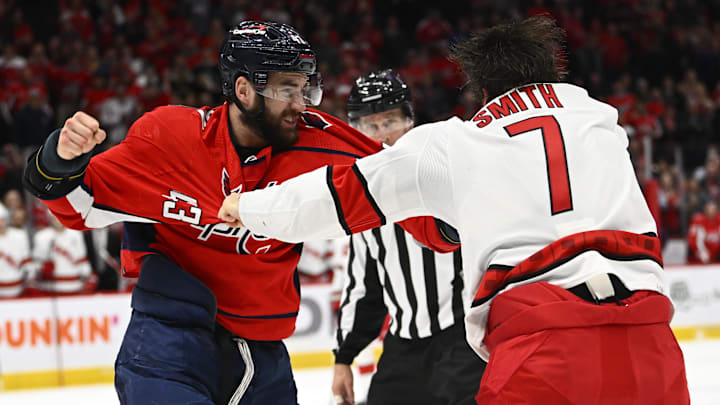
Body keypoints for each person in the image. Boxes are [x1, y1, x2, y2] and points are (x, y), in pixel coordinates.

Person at [219, 17, 690, 404]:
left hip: (542, 345)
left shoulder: (455, 141)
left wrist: (250, 207)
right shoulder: (603, 120)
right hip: (651, 339)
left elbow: (334, 196)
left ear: (481, 90)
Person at [23, 21, 454, 405]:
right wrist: (62, 160)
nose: (301, 104)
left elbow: (406, 197)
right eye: (288, 89)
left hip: (263, 356)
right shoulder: (170, 136)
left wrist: (454, 218)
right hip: (168, 338)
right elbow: (82, 207)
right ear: (244, 90)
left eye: (305, 89)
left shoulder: (322, 145)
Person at [332, 70, 485, 405]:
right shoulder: (363, 199)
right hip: (404, 346)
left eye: (388, 122)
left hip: (464, 340)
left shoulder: (449, 174)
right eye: (368, 126)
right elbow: (364, 287)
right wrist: (344, 357)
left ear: (410, 120)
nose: (380, 136)